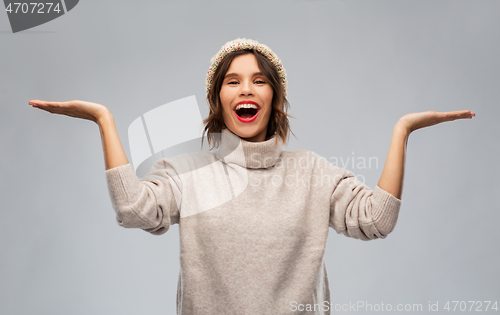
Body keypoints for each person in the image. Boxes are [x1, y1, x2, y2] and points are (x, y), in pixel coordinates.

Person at [29, 38, 475, 315]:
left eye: (259, 81)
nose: (246, 89)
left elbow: (376, 220)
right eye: (233, 81)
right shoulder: (186, 173)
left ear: (274, 100)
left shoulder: (312, 171)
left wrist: (403, 131)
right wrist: (104, 120)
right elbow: (132, 209)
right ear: (217, 100)